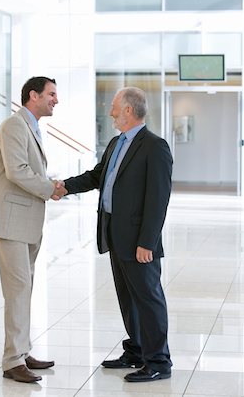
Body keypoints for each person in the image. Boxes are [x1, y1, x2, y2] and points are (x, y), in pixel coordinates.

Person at [59, 86, 173, 383]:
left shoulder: (154, 146)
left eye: (113, 106)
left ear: (128, 110)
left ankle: (159, 361)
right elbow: (98, 176)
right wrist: (64, 187)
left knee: (148, 299)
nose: (109, 111)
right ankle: (136, 350)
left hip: (139, 242)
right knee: (128, 299)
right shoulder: (115, 143)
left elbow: (158, 199)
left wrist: (147, 241)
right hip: (115, 236)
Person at [0, 76, 67, 383]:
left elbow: (26, 169)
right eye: (51, 94)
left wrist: (50, 184)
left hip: (25, 222)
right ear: (33, 95)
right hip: (10, 222)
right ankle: (12, 360)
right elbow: (18, 170)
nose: (56, 99)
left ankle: (21, 350)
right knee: (18, 291)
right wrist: (50, 188)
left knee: (24, 289)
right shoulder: (14, 126)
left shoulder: (31, 127)